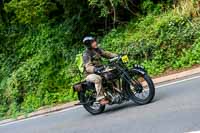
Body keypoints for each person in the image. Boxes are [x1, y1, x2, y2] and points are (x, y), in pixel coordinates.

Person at [82, 36, 118, 105]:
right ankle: (100, 98)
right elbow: (88, 67)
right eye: (93, 42)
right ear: (88, 44)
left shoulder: (97, 50)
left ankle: (115, 92)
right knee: (97, 79)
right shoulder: (86, 54)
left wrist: (117, 55)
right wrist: (95, 69)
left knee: (113, 72)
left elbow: (107, 54)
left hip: (100, 70)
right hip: (90, 74)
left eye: (95, 41)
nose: (95, 43)